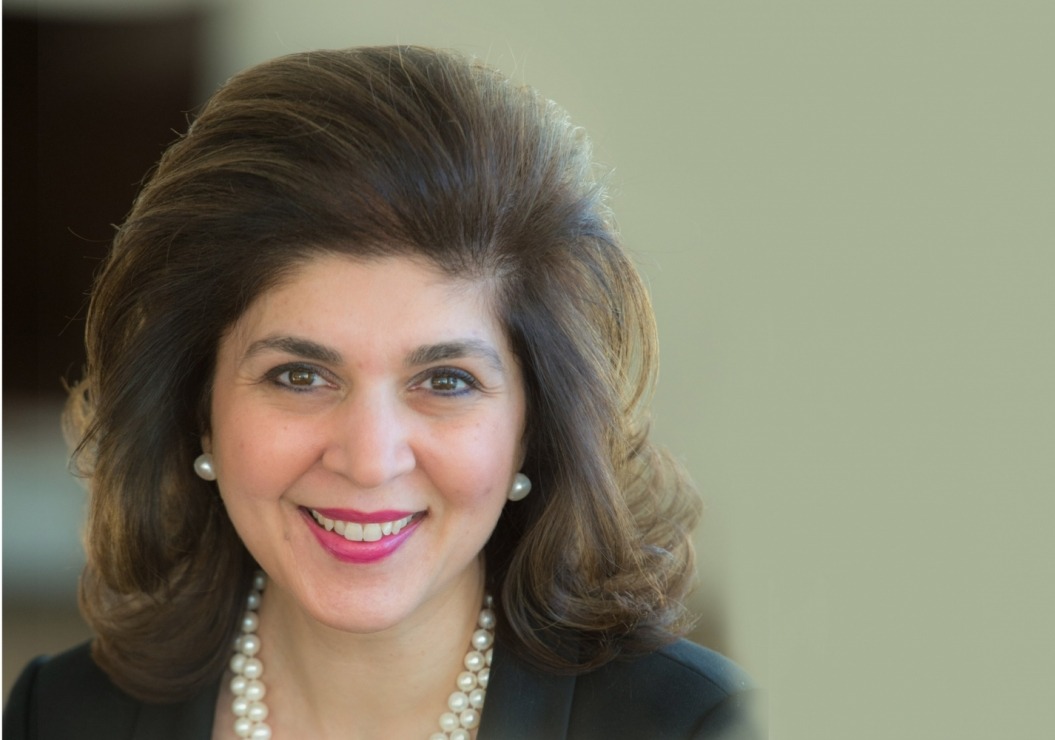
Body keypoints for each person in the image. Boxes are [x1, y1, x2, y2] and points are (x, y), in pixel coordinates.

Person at [3, 45, 761, 739]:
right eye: (299, 376)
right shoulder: (62, 716)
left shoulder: (691, 726)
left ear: (534, 427)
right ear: (196, 410)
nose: (369, 460)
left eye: (445, 381)